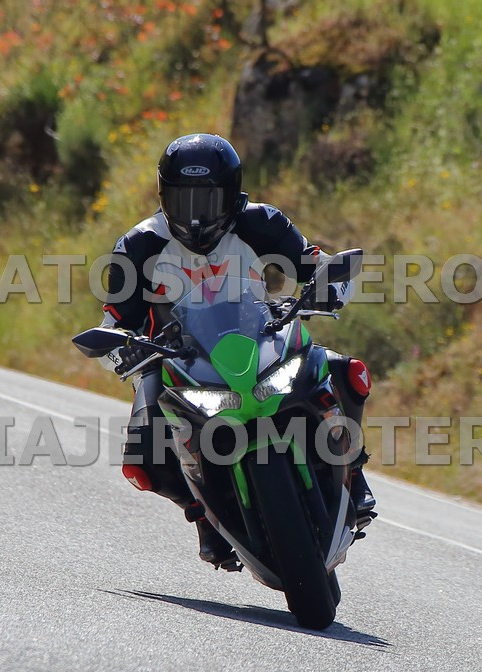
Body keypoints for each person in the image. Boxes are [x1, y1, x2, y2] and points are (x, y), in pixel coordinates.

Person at [99, 133, 375, 568]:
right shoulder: (139, 245)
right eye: (183, 199)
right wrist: (122, 350)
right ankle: (203, 515)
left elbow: (315, 264)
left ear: (232, 195)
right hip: (173, 358)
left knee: (344, 370)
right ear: (163, 195)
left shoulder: (260, 221)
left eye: (208, 200)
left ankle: (353, 474)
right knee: (143, 457)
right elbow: (114, 322)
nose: (196, 214)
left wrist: (330, 288)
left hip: (258, 337)